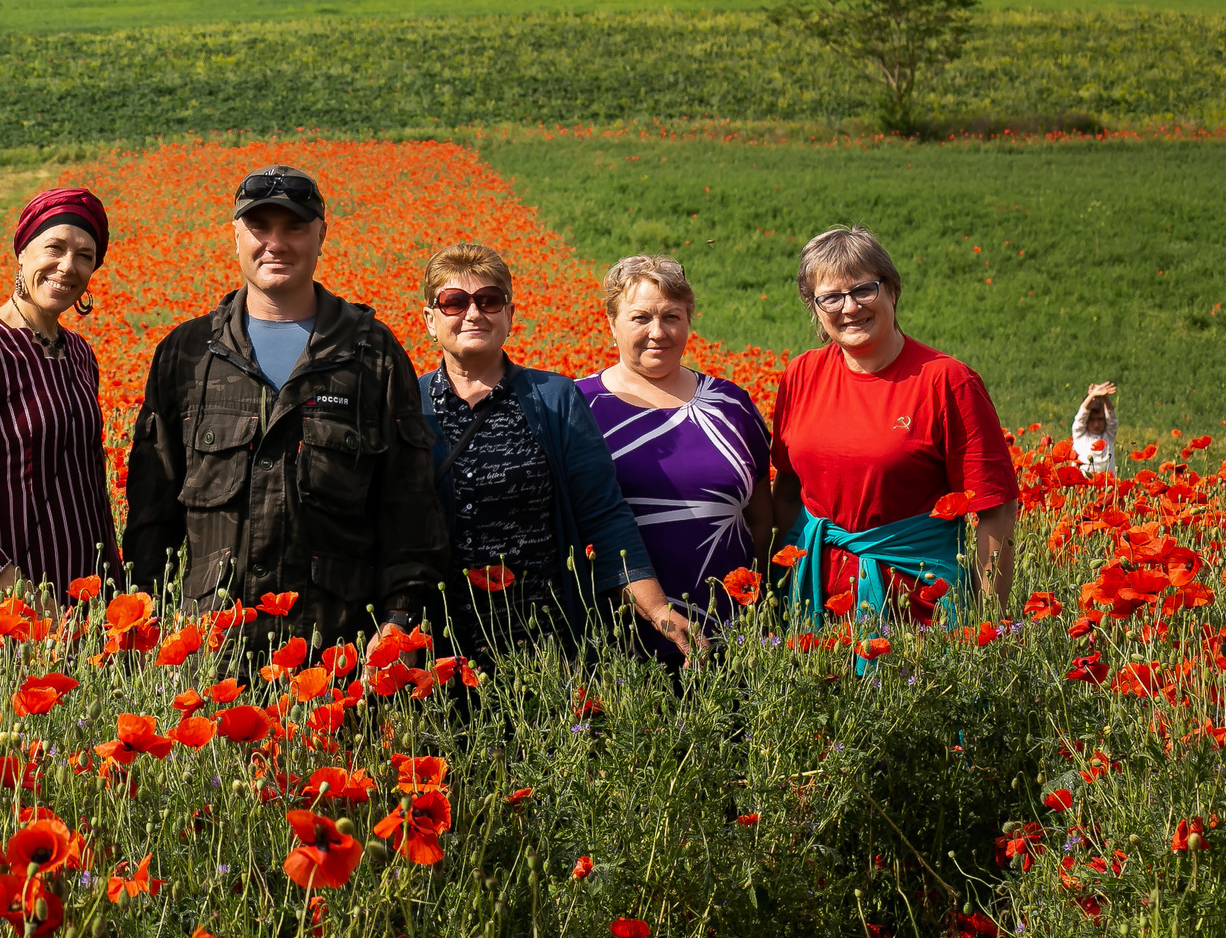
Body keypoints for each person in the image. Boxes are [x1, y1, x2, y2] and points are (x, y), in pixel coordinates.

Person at [122, 164, 443, 653]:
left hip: (339, 651)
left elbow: (410, 504)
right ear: (236, 235)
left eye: (294, 226)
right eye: (260, 226)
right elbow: (151, 510)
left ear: (321, 235)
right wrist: (145, 622)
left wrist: (400, 618)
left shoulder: (370, 353)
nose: (276, 242)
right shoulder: (188, 354)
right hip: (210, 652)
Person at [418, 242, 695, 665]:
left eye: (489, 300)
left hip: (545, 638)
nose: (473, 313)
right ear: (429, 319)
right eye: (454, 302)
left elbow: (601, 514)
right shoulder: (408, 405)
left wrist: (657, 610)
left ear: (509, 315)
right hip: (441, 641)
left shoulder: (553, 399)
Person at [772, 225, 1019, 625]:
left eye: (863, 289)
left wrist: (987, 624)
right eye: (831, 297)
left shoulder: (947, 381)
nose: (849, 308)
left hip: (917, 603)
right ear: (815, 307)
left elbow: (997, 510)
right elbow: (785, 491)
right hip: (813, 597)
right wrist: (784, 582)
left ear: (892, 289)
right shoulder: (801, 374)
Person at [575, 254, 772, 664]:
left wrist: (769, 599)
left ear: (689, 320)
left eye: (672, 316)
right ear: (611, 323)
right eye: (640, 317)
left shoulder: (730, 404)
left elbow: (762, 516)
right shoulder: (578, 407)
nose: (658, 332)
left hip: (733, 620)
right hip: (618, 626)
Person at [0, 187, 120, 596]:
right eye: (55, 247)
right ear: (22, 252)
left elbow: (88, 479)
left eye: (85, 256)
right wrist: (14, 589)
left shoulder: (80, 353)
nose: (68, 267)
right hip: (21, 593)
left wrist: (114, 587)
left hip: (92, 586)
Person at [1070, 381, 1119, 477]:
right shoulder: (1080, 435)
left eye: (1100, 419)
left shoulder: (1108, 436)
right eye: (1091, 420)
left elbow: (1112, 417)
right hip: (1084, 486)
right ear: (1086, 420)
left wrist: (1104, 397)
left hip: (1107, 486)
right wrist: (1092, 395)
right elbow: (1080, 417)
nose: (1096, 424)